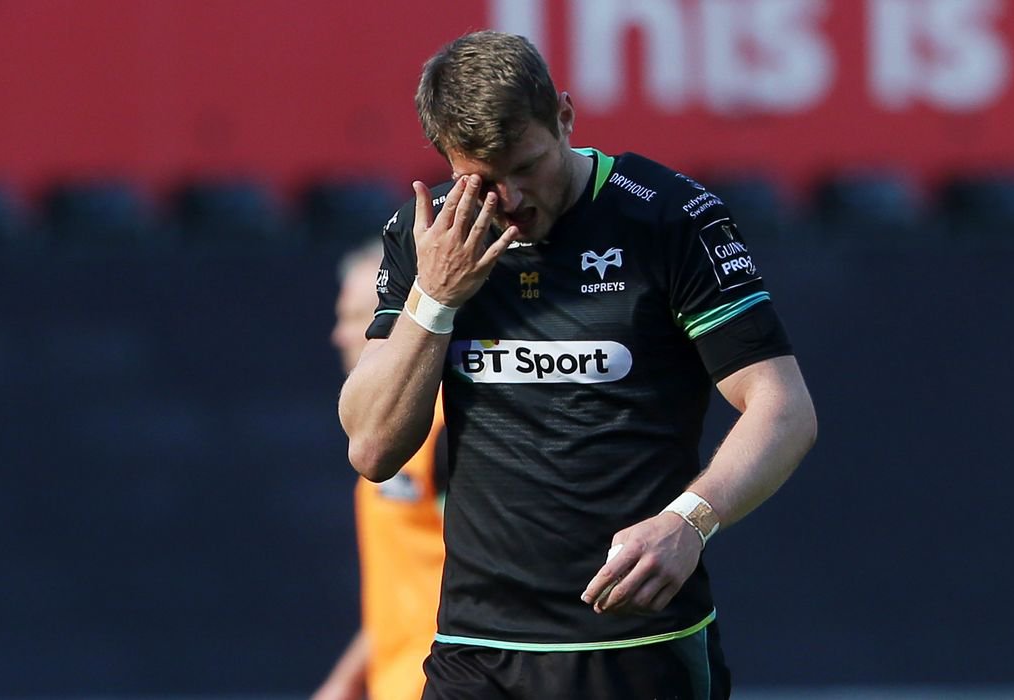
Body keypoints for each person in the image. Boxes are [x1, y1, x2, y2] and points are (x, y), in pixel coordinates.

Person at [338, 30, 817, 700]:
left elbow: (783, 408)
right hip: (476, 653)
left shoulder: (670, 218)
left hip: (636, 645)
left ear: (564, 116)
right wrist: (436, 299)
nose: (509, 198)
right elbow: (372, 448)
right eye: (482, 180)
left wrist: (690, 520)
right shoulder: (430, 238)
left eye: (526, 166)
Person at [315, 240, 447, 700]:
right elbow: (406, 586)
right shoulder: (395, 429)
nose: (339, 335)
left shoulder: (451, 424)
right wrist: (348, 679)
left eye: (357, 317)